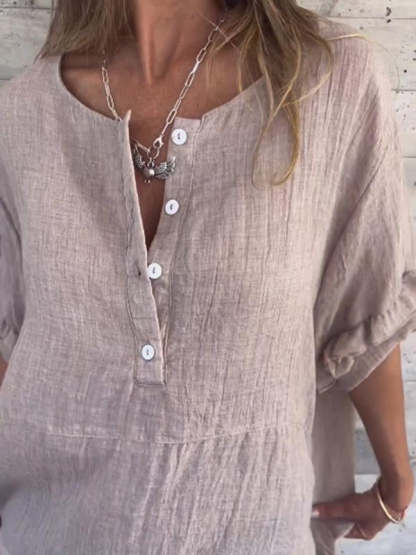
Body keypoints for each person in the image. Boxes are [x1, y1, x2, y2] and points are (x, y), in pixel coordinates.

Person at [0, 0, 415, 553]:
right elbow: (12, 343)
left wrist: (396, 477)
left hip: (254, 526)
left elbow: (364, 302)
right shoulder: (22, 114)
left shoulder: (326, 80)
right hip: (50, 531)